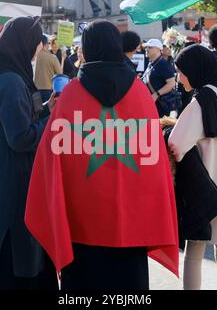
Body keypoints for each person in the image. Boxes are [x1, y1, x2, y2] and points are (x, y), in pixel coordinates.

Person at [25, 19, 179, 290]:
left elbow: (50, 159)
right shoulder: (141, 93)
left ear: (86, 48)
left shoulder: (70, 94)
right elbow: (153, 158)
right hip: (131, 221)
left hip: (80, 221)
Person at [0, 16, 58, 290]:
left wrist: (46, 108)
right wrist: (52, 120)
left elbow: (19, 120)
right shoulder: (11, 81)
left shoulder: (7, 75)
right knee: (14, 246)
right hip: (12, 171)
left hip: (3, 165)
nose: (39, 49)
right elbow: (21, 137)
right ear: (26, 44)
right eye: (37, 43)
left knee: (9, 242)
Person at [168, 44, 217, 290]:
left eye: (181, 71)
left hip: (204, 187)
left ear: (195, 70)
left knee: (193, 255)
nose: (179, 78)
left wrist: (170, 127)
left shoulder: (201, 100)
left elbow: (176, 145)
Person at [142, 39, 176, 117]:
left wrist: (156, 94)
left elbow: (171, 83)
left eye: (150, 47)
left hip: (161, 106)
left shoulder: (163, 64)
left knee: (156, 128)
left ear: (158, 49)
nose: (147, 49)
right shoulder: (151, 63)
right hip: (152, 105)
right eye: (146, 47)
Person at [34, 34, 62, 102]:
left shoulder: (33, 57)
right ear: (45, 45)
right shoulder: (52, 57)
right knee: (48, 112)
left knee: (37, 112)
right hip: (48, 90)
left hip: (35, 90)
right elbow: (60, 74)